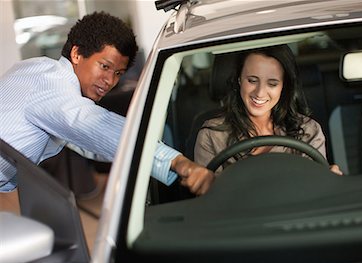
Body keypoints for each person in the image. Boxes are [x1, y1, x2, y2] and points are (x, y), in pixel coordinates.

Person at [0, 11, 214, 196]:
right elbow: (97, 126)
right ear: (76, 54)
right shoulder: (55, 88)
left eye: (118, 73)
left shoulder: (34, 68)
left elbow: (90, 141)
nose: (110, 81)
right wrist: (177, 162)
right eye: (104, 66)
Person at [194, 45, 342, 175]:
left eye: (272, 84)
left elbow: (315, 192)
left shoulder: (308, 130)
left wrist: (329, 180)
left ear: (284, 86)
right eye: (252, 80)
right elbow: (211, 202)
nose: (260, 93)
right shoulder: (212, 135)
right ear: (239, 80)